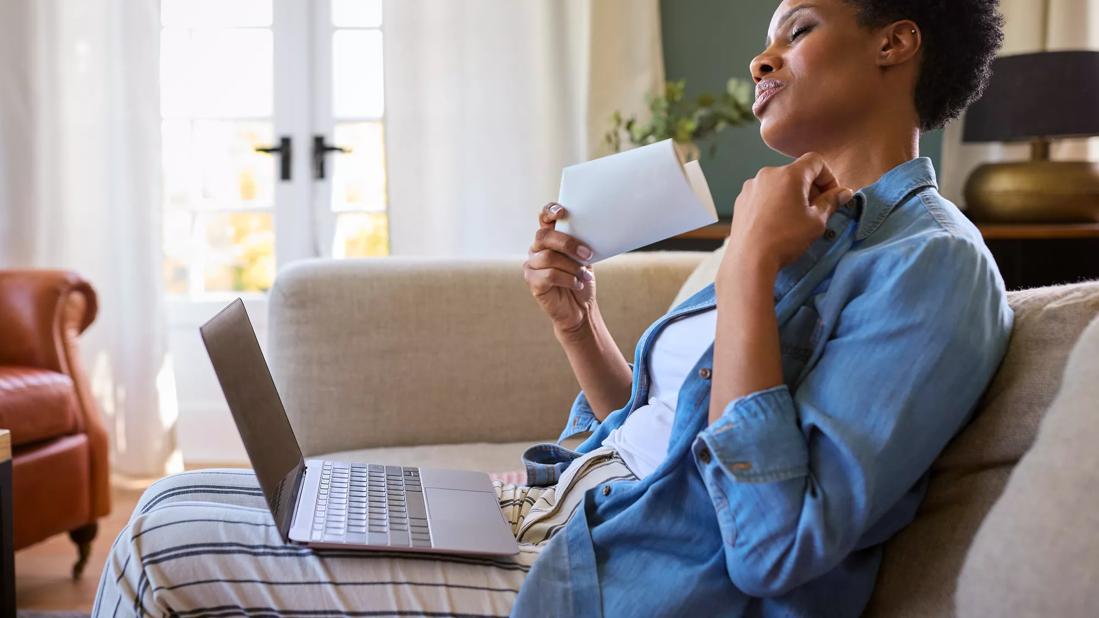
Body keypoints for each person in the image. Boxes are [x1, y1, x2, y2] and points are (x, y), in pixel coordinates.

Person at [92, 0, 1013, 615]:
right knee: (186, 497)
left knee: (161, 541)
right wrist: (581, 324)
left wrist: (743, 269)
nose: (760, 55)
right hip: (556, 513)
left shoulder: (929, 265)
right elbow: (659, 440)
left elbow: (770, 547)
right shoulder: (798, 226)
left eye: (800, 26)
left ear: (895, 42)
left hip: (610, 581)